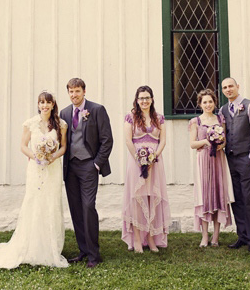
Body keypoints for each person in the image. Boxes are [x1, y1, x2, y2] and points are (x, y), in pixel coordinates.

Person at [0, 91, 69, 269]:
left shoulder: (61, 124)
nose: (45, 106)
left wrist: (52, 157)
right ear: (38, 104)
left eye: (48, 102)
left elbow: (64, 146)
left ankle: (51, 247)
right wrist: (36, 157)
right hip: (35, 168)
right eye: (41, 102)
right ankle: (32, 245)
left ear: (52, 104)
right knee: (34, 202)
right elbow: (22, 146)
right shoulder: (30, 123)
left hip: (52, 169)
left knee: (51, 203)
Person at [60, 78, 113, 268]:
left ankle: (94, 254)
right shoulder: (64, 113)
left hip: (89, 165)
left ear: (84, 91)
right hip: (70, 167)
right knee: (75, 209)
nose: (74, 94)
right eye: (71, 91)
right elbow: (60, 139)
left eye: (77, 91)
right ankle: (83, 250)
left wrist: (97, 164)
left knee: (88, 207)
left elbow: (107, 139)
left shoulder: (97, 109)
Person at [121, 86, 171, 253]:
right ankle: (136, 239)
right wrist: (139, 158)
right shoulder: (131, 118)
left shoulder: (159, 118)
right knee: (137, 197)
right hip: (136, 162)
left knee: (151, 197)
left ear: (152, 99)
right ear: (136, 100)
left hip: (155, 162)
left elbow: (162, 141)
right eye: (141, 98)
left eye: (147, 97)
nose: (144, 101)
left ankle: (150, 238)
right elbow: (128, 140)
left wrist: (153, 157)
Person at [220, 77, 250, 253]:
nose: (228, 89)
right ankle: (243, 236)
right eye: (225, 87)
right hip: (229, 159)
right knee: (236, 198)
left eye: (231, 86)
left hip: (245, 158)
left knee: (248, 198)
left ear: (238, 87)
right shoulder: (223, 110)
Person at [189, 89, 234, 248]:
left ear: (214, 103)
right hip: (203, 161)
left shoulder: (220, 119)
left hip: (218, 160)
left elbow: (225, 142)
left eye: (210, 101)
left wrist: (219, 143)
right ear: (200, 104)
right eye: (205, 102)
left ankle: (215, 236)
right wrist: (206, 142)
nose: (208, 105)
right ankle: (204, 236)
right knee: (205, 196)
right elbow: (192, 143)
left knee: (218, 195)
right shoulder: (196, 121)